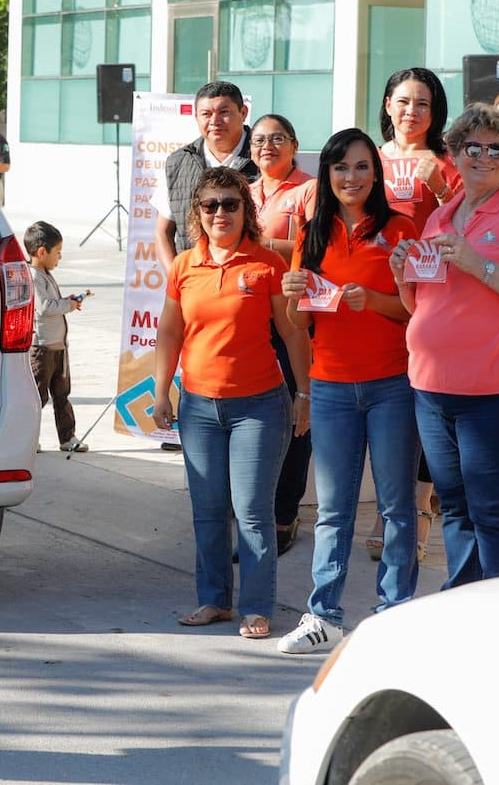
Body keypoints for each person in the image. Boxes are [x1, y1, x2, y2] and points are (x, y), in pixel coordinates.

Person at [388, 103, 499, 588]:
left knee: (495, 511)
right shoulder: (442, 217)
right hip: (433, 389)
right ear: (455, 153)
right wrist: (402, 273)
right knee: (456, 507)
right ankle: (466, 604)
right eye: (474, 147)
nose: (485, 156)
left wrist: (480, 264)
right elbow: (425, 304)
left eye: (497, 148)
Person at [276, 128, 421, 655]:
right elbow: (297, 319)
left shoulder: (402, 229)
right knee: (333, 511)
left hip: (392, 386)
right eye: (341, 167)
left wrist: (375, 302)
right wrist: (294, 294)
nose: (351, 177)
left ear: (376, 173)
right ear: (328, 175)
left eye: (362, 167)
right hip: (333, 386)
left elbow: (420, 311)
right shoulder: (311, 234)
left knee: (396, 507)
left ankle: (394, 615)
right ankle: (324, 616)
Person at [152, 167, 311, 638]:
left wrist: (304, 393)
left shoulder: (266, 264)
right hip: (199, 407)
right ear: (197, 213)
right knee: (207, 508)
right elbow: (170, 331)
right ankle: (215, 600)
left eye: (230, 204)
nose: (220, 213)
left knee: (253, 511)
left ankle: (257, 606)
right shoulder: (183, 265)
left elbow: (293, 332)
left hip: (259, 408)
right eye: (210, 205)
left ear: (246, 210)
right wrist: (162, 391)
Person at [372, 67, 460, 561]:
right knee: (385, 405)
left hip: (430, 297)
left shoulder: (448, 161)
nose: (411, 111)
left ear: (435, 112)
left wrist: (443, 189)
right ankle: (392, 510)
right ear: (387, 105)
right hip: (372, 293)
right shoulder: (367, 157)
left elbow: (466, 216)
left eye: (422, 104)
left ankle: (422, 505)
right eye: (403, 101)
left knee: (425, 402)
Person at [248, 113, 316, 556]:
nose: (267, 147)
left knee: (296, 414)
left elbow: (320, 246)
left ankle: (284, 515)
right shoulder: (245, 190)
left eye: (277, 139)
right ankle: (252, 508)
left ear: (293, 144)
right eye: (258, 140)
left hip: (291, 316)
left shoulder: (310, 189)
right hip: (247, 316)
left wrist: (264, 247)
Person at [152, 81, 259, 275]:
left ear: (243, 112)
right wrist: (176, 279)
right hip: (195, 285)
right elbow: (163, 232)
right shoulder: (177, 163)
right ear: (196, 117)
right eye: (206, 114)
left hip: (251, 284)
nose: (215, 121)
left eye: (224, 112)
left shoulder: (264, 157)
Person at [25, 221, 89, 453]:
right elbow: (44, 307)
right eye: (58, 253)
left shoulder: (45, 274)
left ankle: (67, 437)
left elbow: (53, 304)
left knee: (62, 395)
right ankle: (27, 438)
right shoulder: (33, 276)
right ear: (42, 252)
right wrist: (68, 305)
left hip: (59, 347)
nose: (59, 258)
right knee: (37, 397)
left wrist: (67, 301)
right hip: (42, 350)